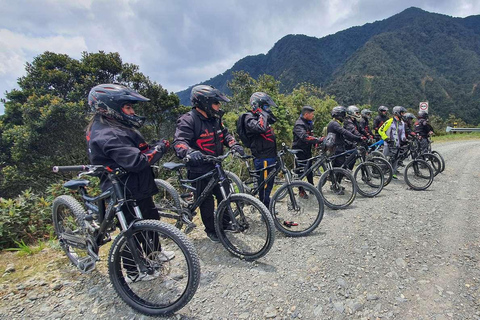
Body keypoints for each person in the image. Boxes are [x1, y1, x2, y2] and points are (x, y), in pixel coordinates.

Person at [86, 83, 173, 281]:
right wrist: (160, 147)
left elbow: (137, 149)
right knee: (130, 230)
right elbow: (137, 160)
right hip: (123, 189)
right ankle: (133, 272)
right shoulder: (107, 134)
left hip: (137, 186)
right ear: (109, 107)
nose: (132, 111)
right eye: (128, 107)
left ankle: (154, 256)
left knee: (150, 219)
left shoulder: (116, 125)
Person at [173, 85, 244, 242]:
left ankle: (225, 224)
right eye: (216, 103)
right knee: (206, 202)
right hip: (199, 169)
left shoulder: (215, 119)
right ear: (204, 102)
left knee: (225, 194)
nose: (219, 106)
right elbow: (179, 142)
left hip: (216, 165)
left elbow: (224, 134)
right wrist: (190, 152)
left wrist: (233, 144)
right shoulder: (188, 119)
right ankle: (211, 230)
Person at [242, 92, 278, 208]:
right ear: (257, 105)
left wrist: (266, 112)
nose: (268, 109)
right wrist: (261, 112)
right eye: (266, 106)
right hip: (263, 157)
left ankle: (266, 205)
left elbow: (273, 119)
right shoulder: (249, 118)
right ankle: (265, 211)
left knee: (269, 184)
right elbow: (261, 128)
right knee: (265, 186)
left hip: (270, 155)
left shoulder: (261, 116)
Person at [326, 106, 365, 194]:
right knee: (340, 168)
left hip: (339, 147)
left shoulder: (336, 123)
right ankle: (335, 186)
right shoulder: (334, 124)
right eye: (343, 115)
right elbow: (345, 132)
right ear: (339, 115)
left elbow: (343, 135)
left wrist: (351, 141)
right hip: (336, 148)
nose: (344, 117)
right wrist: (357, 138)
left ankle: (336, 184)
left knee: (341, 167)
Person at [292, 105, 323, 198]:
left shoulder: (309, 123)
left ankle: (311, 187)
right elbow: (305, 137)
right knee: (301, 171)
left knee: (309, 169)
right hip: (299, 151)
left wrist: (316, 144)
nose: (313, 116)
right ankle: (301, 191)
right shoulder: (299, 124)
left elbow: (311, 135)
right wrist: (318, 140)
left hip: (307, 150)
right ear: (306, 114)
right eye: (312, 114)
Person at [378, 106, 407, 178]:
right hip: (388, 143)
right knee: (384, 158)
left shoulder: (402, 123)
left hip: (397, 144)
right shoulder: (389, 121)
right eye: (402, 113)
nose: (403, 114)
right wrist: (386, 138)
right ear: (397, 113)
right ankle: (380, 172)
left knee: (396, 159)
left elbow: (403, 132)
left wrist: (404, 139)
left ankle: (393, 173)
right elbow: (380, 130)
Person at [343, 105, 368, 170]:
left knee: (354, 158)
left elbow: (360, 129)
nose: (358, 114)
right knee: (348, 159)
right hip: (347, 142)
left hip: (353, 142)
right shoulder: (348, 121)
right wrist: (360, 137)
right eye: (356, 113)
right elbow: (354, 131)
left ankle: (348, 172)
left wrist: (367, 135)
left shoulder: (354, 120)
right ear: (351, 112)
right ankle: (344, 172)